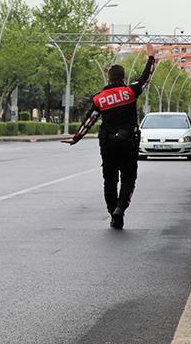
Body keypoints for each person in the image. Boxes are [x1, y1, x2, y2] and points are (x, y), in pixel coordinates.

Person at [62, 43, 156, 230]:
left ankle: (112, 211)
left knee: (110, 180)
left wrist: (76, 138)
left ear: (108, 77)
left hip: (108, 144)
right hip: (128, 141)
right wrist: (151, 58)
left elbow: (90, 120)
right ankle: (121, 208)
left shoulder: (99, 99)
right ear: (122, 78)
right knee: (128, 177)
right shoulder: (130, 91)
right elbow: (146, 78)